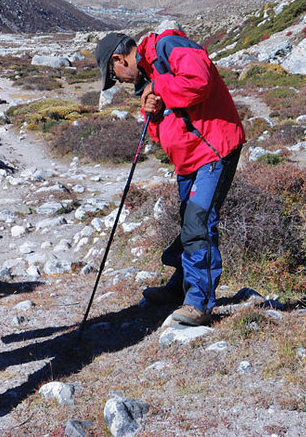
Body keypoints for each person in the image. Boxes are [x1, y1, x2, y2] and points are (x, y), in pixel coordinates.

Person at [95, 21, 245, 326]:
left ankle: (198, 302)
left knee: (198, 222)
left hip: (214, 149)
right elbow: (164, 131)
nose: (121, 82)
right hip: (189, 159)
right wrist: (150, 112)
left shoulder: (168, 46)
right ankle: (181, 288)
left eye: (115, 77)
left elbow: (200, 81)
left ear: (118, 59)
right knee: (188, 221)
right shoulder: (150, 79)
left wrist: (159, 88)